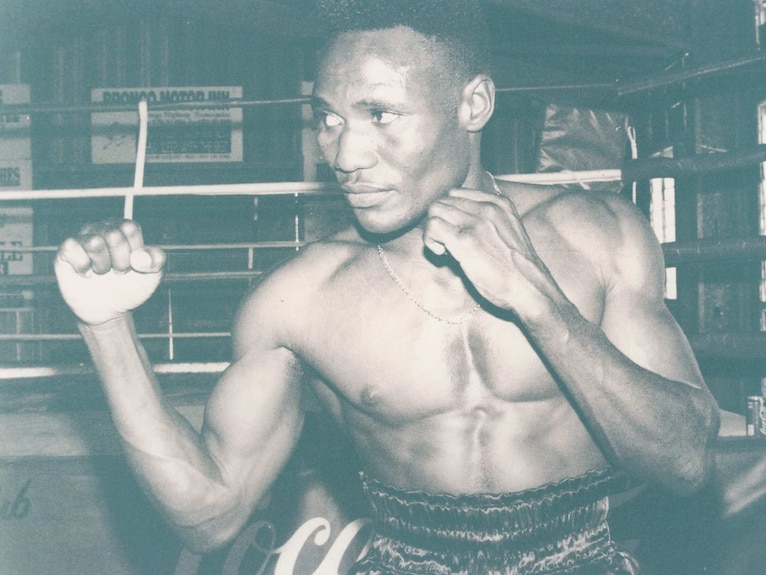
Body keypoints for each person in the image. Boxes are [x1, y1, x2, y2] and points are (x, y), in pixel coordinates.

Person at [54, 1, 720, 573]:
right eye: (329, 119)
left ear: (473, 104)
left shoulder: (599, 236)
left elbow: (686, 458)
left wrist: (535, 297)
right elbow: (209, 514)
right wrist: (105, 327)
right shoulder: (300, 299)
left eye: (379, 114)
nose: (344, 155)